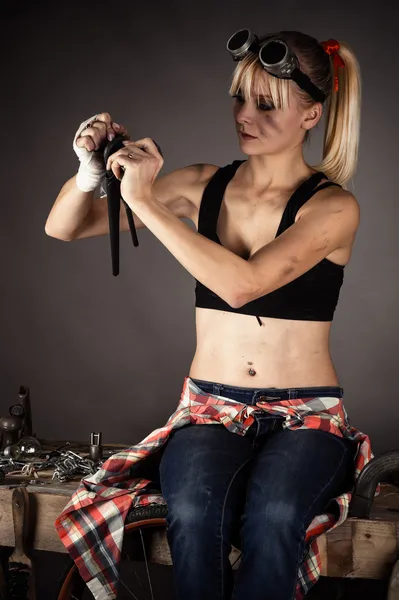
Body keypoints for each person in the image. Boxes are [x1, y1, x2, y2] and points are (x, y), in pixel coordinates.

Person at [47, 29, 372, 600]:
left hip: (305, 417)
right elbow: (66, 226)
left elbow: (242, 285)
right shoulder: (201, 186)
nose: (244, 115)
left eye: (266, 104)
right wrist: (90, 174)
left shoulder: (332, 207)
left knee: (274, 517)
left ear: (312, 115)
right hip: (209, 409)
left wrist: (144, 200)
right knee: (193, 515)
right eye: (239, 98)